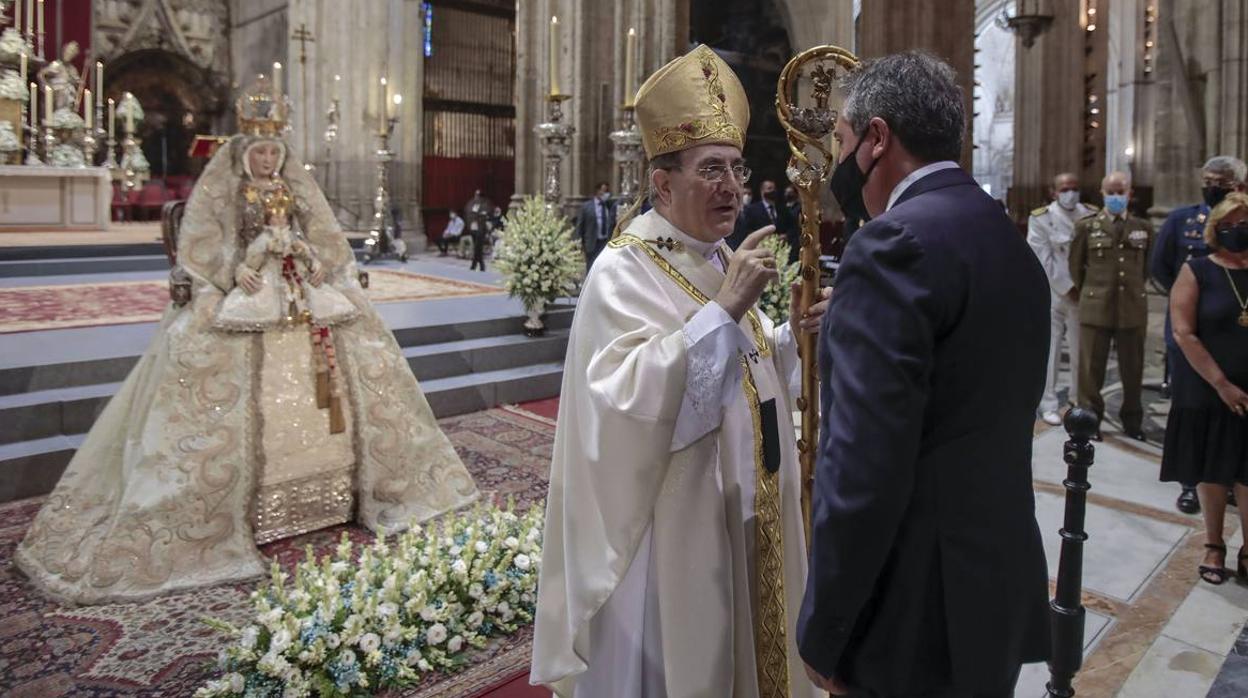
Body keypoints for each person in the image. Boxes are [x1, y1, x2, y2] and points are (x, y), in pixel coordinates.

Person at [14, 77, 479, 605]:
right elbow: (205, 246)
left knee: (352, 365)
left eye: (272, 152)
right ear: (243, 153)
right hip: (249, 294)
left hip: (303, 298)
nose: (265, 160)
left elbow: (322, 238)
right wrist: (240, 269)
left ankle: (347, 491)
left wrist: (312, 257)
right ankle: (225, 509)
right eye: (258, 151)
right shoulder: (226, 191)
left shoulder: (293, 189)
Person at [531, 44, 830, 698]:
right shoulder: (623, 270)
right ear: (662, 184)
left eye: (736, 169)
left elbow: (744, 374)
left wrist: (790, 337)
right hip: (677, 536)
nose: (731, 187)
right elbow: (626, 404)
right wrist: (727, 309)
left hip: (750, 514)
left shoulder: (715, 256)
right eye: (711, 170)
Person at [799, 51, 1051, 698]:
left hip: (910, 605)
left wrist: (826, 628)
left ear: (878, 138)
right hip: (993, 579)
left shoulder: (890, 245)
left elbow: (862, 468)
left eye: (845, 140)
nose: (841, 160)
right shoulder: (1004, 234)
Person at [1158, 192, 1248, 584]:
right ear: (1215, 229)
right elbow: (1184, 332)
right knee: (1213, 469)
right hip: (1208, 387)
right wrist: (1222, 384)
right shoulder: (1197, 270)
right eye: (1228, 225)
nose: (1236, 231)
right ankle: (1214, 544)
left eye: (1244, 224)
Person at [1070, 171, 1154, 441]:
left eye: (1121, 192)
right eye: (1111, 192)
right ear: (1102, 193)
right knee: (1090, 369)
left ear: (1130, 194)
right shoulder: (1087, 226)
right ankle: (1090, 419)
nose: (1116, 196)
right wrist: (1091, 293)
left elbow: (1146, 268)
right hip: (1096, 305)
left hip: (1131, 306)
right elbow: (1076, 267)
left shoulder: (1143, 227)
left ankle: (1132, 420)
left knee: (1133, 367)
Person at [1027, 172, 1098, 426]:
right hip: (1054, 293)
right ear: (1054, 191)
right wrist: (1067, 288)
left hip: (1084, 294)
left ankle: (1077, 400)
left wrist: (1084, 289)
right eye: (1065, 188)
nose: (1071, 193)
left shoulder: (1090, 214)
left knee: (1082, 351)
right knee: (1052, 349)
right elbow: (1042, 258)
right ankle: (1048, 403)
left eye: (1075, 187)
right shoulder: (1042, 218)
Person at [739, 179, 800, 262]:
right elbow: (747, 230)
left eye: (774, 188)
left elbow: (793, 227)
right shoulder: (752, 210)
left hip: (781, 252)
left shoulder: (783, 209)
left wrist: (786, 236)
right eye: (769, 188)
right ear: (762, 191)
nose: (773, 191)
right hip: (761, 251)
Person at [575, 181, 616, 270]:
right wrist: (578, 243)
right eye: (603, 191)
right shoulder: (586, 206)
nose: (605, 194)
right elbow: (580, 226)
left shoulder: (609, 206)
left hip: (605, 242)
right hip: (592, 242)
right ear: (597, 191)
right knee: (591, 267)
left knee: (604, 267)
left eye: (607, 191)